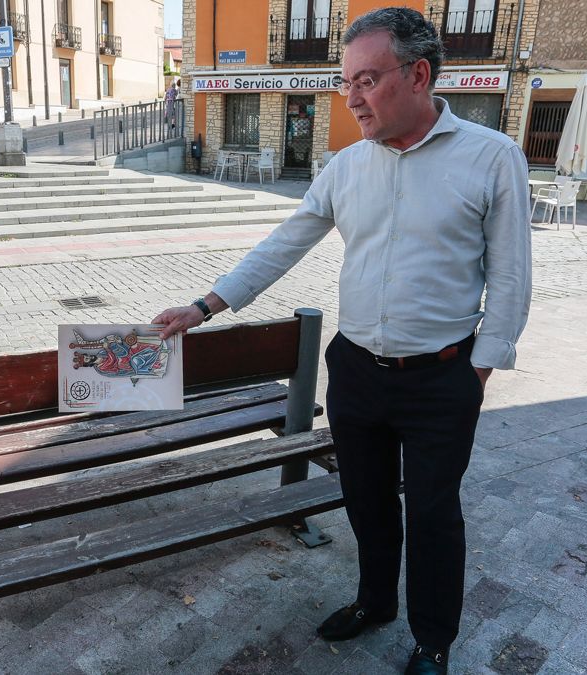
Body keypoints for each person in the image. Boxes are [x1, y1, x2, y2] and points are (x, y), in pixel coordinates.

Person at [152, 8, 530, 674]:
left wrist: (477, 373)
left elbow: (511, 280)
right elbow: (285, 243)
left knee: (436, 515)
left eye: (367, 79)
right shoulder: (347, 165)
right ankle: (374, 601)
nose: (351, 97)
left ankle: (434, 639)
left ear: (418, 75)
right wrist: (205, 304)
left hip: (441, 376)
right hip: (356, 370)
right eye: (345, 81)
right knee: (366, 497)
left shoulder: (491, 159)